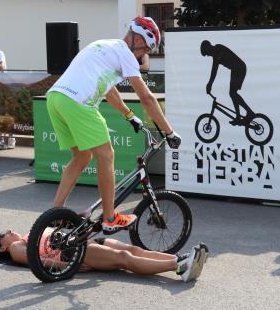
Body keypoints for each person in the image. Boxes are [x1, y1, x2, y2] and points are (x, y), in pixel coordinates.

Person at [46, 17, 181, 235]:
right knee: (107, 155)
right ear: (138, 39)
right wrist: (169, 131)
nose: (141, 56)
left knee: (82, 157)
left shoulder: (105, 46)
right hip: (78, 102)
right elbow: (147, 98)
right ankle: (110, 218)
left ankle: (54, 214)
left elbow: (109, 90)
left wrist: (129, 115)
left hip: (55, 99)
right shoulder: (126, 53)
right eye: (144, 50)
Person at [0, 229, 209, 282]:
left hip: (81, 241)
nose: (8, 231)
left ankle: (182, 258)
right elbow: (37, 261)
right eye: (3, 235)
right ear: (2, 248)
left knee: (133, 250)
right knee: (124, 258)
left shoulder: (25, 236)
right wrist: (66, 266)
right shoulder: (15, 248)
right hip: (72, 252)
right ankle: (178, 265)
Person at [201, 40, 254, 125]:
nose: (208, 55)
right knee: (232, 93)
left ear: (208, 47)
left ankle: (249, 112)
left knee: (232, 93)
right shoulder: (215, 56)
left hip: (239, 68)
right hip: (235, 69)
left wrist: (210, 84)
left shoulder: (218, 48)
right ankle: (238, 117)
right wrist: (209, 84)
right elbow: (214, 71)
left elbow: (214, 71)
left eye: (206, 53)